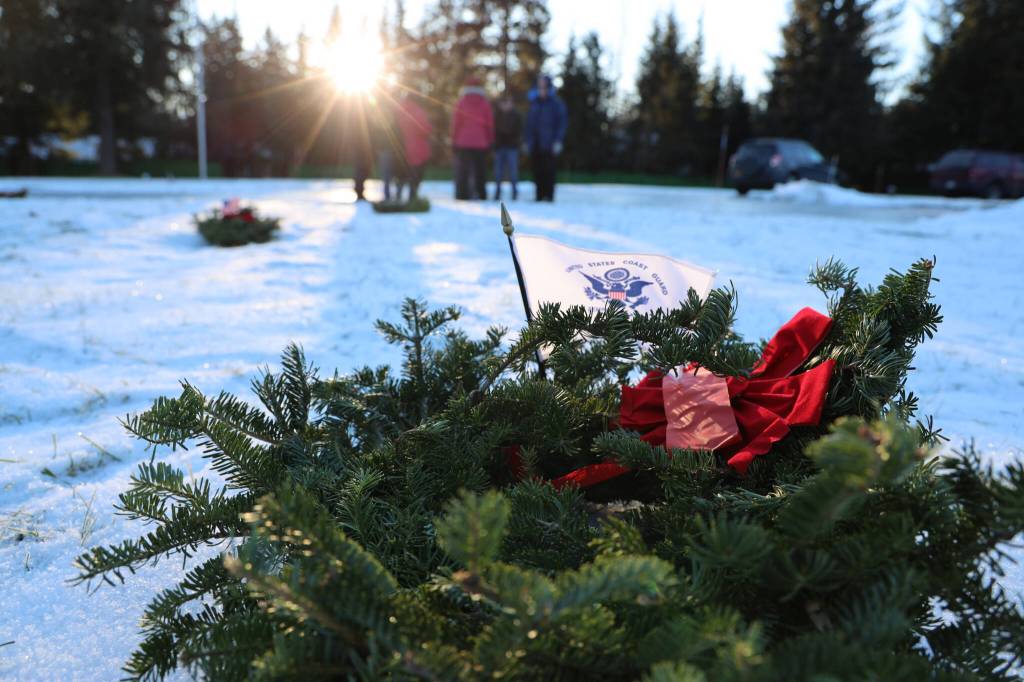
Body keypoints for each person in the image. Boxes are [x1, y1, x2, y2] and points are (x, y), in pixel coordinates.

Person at [525, 75, 567, 202]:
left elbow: (562, 123)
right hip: (536, 143)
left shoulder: (556, 104)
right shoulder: (534, 104)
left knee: (549, 170)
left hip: (550, 143)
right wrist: (527, 141)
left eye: (544, 87)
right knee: (537, 170)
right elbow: (529, 125)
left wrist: (558, 140)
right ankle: (539, 195)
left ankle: (549, 195)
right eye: (539, 87)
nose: (542, 90)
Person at [451, 76, 494, 200]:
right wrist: (490, 140)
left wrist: (454, 140)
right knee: (480, 170)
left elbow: (456, 123)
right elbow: (489, 124)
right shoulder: (484, 103)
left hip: (463, 142)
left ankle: (461, 194)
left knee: (462, 171)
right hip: (481, 142)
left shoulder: (462, 102)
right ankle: (481, 193)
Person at [394, 94, 433, 202]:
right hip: (417, 146)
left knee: (402, 173)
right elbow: (425, 129)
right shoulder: (417, 112)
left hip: (401, 146)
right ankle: (413, 196)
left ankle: (398, 195)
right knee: (416, 173)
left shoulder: (399, 111)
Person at [492, 93, 522, 201]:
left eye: (508, 102)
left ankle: (514, 191)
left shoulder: (516, 115)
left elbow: (518, 131)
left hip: (512, 147)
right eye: (503, 103)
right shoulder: (496, 115)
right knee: (498, 171)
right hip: (499, 147)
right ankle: (497, 191)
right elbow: (494, 130)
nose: (506, 105)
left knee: (513, 171)